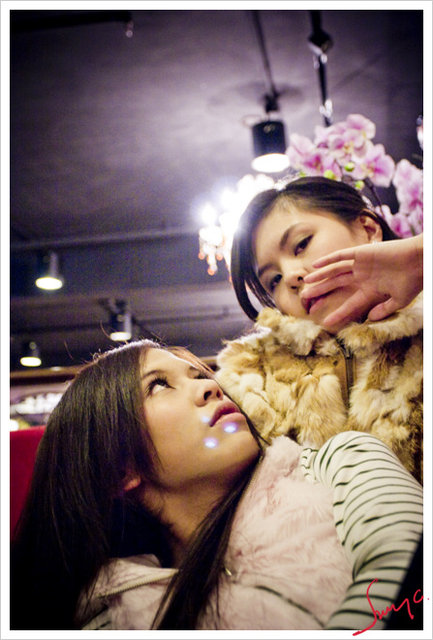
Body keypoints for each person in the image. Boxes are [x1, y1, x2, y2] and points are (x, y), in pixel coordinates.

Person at [10, 340, 422, 631]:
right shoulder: (114, 615)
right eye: (158, 385)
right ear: (121, 468)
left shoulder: (340, 463)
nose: (210, 386)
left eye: (199, 374)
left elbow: (408, 571)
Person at [216, 176, 423, 482]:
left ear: (368, 229)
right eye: (273, 280)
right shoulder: (252, 380)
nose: (291, 276)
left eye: (301, 244)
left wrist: (421, 257)